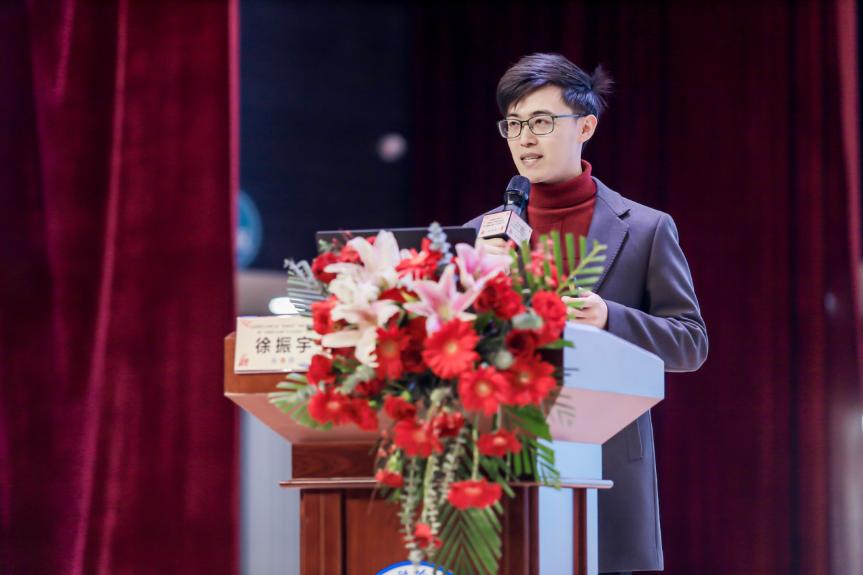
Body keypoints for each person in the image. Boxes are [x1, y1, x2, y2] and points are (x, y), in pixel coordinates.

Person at [464, 53, 709, 574]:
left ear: (586, 127)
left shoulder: (645, 229)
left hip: (606, 463)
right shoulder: (481, 235)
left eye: (541, 122)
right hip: (498, 458)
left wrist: (609, 319)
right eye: (514, 124)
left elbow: (690, 342)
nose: (525, 138)